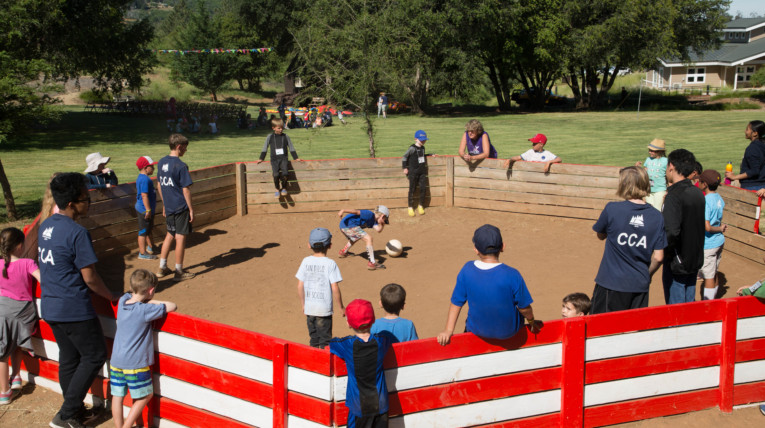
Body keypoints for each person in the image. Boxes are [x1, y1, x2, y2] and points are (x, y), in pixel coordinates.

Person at [38, 172, 119, 428]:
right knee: (94, 356)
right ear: (72, 203)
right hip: (73, 307)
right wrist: (111, 296)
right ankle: (67, 414)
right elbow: (90, 277)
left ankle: (74, 410)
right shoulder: (77, 232)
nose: (89, 203)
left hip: (50, 305)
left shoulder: (46, 226)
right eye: (86, 199)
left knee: (69, 358)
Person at [437, 224, 541, 345]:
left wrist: (448, 330)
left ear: (476, 250)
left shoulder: (467, 270)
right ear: (503, 247)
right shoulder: (512, 274)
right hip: (509, 332)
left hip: (477, 330)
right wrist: (531, 321)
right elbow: (524, 308)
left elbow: (456, 302)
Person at [590, 166, 667, 314]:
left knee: (601, 329)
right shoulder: (657, 216)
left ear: (624, 185)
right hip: (639, 284)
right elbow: (658, 257)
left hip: (611, 282)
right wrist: (647, 274)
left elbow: (600, 235)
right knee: (632, 331)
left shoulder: (612, 209)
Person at [110, 269, 177, 428]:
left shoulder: (123, 301)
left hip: (116, 360)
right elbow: (172, 306)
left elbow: (131, 295)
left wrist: (143, 297)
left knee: (117, 396)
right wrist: (150, 300)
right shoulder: (144, 310)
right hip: (136, 363)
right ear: (151, 290)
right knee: (146, 396)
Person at [329, 299, 394, 428]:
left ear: (348, 323)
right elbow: (386, 338)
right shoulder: (382, 342)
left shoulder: (347, 345)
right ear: (373, 320)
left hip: (359, 406)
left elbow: (332, 343)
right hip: (381, 404)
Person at [0, 228, 40, 405]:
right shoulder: (28, 263)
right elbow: (44, 280)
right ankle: (12, 382)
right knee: (14, 344)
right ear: (19, 246)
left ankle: (6, 389)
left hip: (3, 312)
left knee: (2, 352)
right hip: (23, 313)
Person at [662, 149, 706, 305]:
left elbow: (671, 232)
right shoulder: (697, 192)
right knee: (690, 307)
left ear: (672, 166)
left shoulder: (674, 196)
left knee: (677, 312)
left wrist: (663, 252)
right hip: (694, 259)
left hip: (677, 262)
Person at [296, 228, 344, 348]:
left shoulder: (305, 261)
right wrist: (341, 307)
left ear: (309, 245)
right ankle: (324, 365)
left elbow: (300, 285)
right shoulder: (330, 264)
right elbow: (335, 287)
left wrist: (303, 304)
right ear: (330, 245)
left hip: (310, 309)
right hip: (324, 310)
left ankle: (313, 363)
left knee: (314, 339)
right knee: (325, 341)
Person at [156, 134, 195, 282]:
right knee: (180, 237)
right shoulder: (180, 166)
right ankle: (179, 271)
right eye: (185, 147)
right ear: (179, 147)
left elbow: (159, 185)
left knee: (169, 235)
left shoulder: (161, 162)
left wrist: (165, 204)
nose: (186, 150)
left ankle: (162, 267)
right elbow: (186, 190)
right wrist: (190, 209)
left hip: (170, 206)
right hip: (180, 206)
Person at [698, 169, 727, 300]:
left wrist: (720, 228)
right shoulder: (719, 198)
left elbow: (707, 227)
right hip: (719, 242)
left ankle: (707, 305)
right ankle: (714, 299)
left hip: (708, 244)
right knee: (713, 272)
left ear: (704, 184)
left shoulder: (706, 201)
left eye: (700, 181)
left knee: (708, 276)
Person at [256, 118, 302, 198]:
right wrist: (261, 158)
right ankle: (277, 189)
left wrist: (296, 158)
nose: (281, 130)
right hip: (274, 159)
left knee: (285, 173)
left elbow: (291, 147)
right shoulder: (270, 137)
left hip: (283, 158)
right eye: (279, 128)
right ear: (273, 128)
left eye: (282, 128)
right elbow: (265, 148)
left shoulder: (286, 136)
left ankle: (284, 188)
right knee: (276, 174)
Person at [337, 206, 390, 271]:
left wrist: (382, 224)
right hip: (348, 225)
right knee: (369, 238)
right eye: (385, 220)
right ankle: (372, 263)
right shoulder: (369, 214)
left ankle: (343, 252)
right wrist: (343, 210)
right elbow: (356, 211)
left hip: (345, 226)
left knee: (357, 236)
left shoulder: (373, 221)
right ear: (382, 216)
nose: (384, 221)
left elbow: (378, 230)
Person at [725, 120, 765, 190]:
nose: (745, 131)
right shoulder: (762, 145)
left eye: (747, 129)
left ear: (755, 133)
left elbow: (754, 171)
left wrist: (735, 177)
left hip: (753, 187)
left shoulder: (753, 148)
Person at [402, 130, 434, 217]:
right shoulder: (412, 148)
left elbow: (421, 156)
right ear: (415, 139)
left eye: (424, 139)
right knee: (412, 189)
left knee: (423, 189)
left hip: (422, 172)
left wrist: (430, 155)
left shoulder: (423, 148)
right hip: (413, 173)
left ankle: (420, 206)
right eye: (421, 139)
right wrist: (405, 167)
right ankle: (410, 207)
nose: (423, 141)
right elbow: (405, 157)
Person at [135, 156, 158, 261]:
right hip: (144, 209)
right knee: (143, 231)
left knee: (148, 229)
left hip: (145, 208)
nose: (153, 168)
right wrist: (148, 210)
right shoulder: (144, 180)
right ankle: (142, 253)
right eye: (151, 166)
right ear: (145, 167)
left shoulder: (143, 178)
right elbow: (144, 195)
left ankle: (150, 247)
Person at [635, 139, 668, 210]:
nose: (650, 152)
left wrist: (668, 190)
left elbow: (668, 175)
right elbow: (645, 171)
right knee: (649, 209)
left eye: (652, 150)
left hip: (660, 189)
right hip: (649, 189)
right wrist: (638, 168)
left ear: (660, 151)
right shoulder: (648, 159)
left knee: (657, 209)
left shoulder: (665, 161)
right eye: (649, 150)